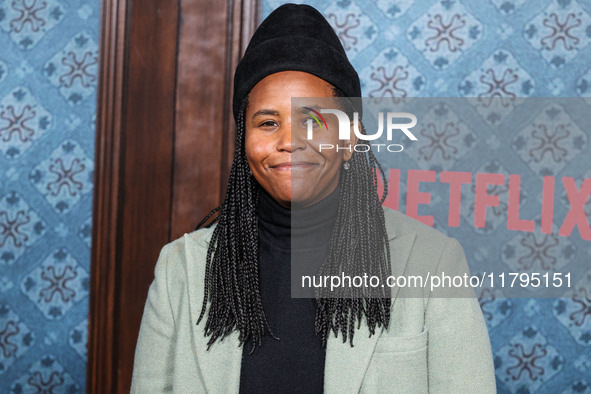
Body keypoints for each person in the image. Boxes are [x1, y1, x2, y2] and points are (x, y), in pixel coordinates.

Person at [130, 4, 496, 393]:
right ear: (243, 141)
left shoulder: (432, 262)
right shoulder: (181, 271)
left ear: (351, 138)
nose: (289, 142)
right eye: (268, 123)